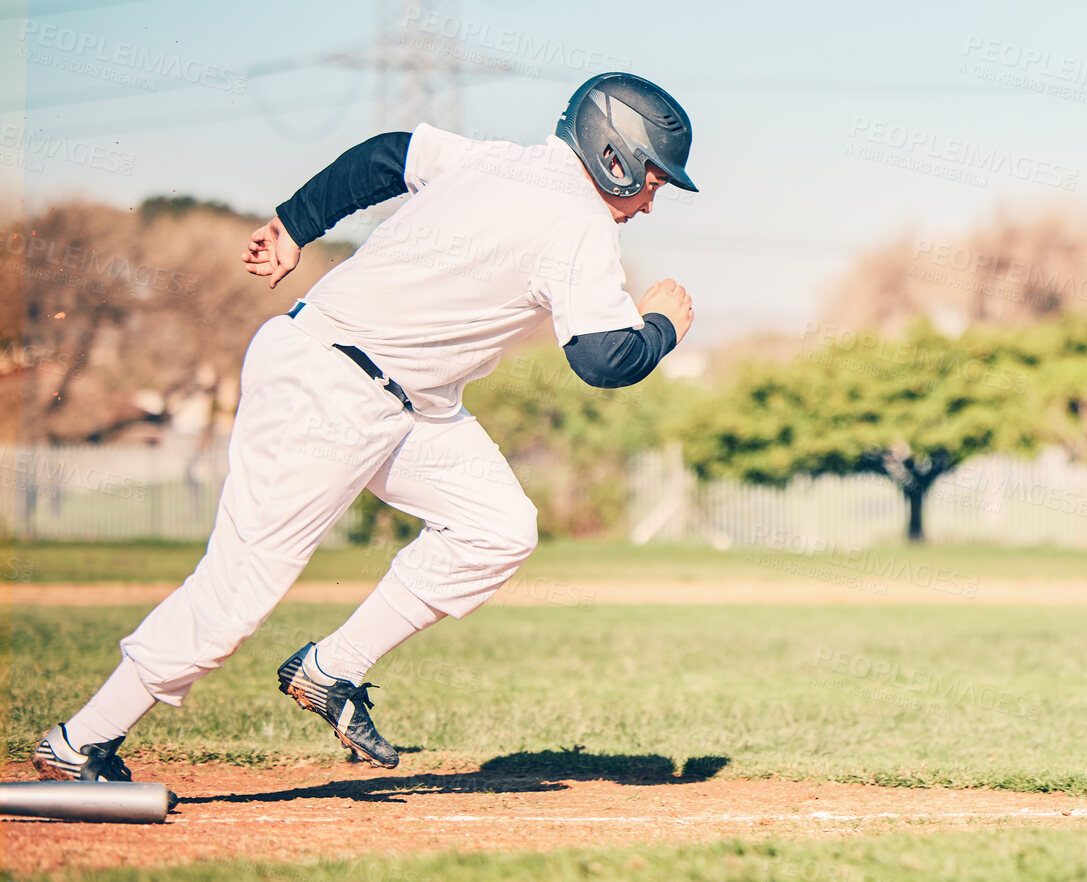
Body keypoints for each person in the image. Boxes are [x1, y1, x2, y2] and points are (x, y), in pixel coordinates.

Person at [31, 72, 699, 781]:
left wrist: (295, 224)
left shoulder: (492, 159)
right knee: (234, 595)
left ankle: (330, 671)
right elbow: (604, 359)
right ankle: (79, 743)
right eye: (654, 179)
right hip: (327, 392)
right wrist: (661, 326)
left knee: (497, 528)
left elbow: (387, 154)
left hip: (403, 402)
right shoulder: (582, 224)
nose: (653, 201)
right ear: (614, 157)